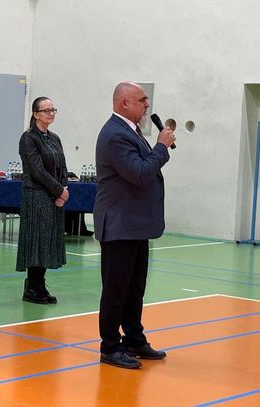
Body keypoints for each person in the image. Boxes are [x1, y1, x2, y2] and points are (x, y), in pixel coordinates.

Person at [94, 81, 176, 369]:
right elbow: (140, 173)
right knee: (116, 289)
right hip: (120, 224)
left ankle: (133, 339)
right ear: (124, 103)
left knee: (134, 288)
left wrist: (158, 148)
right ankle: (109, 346)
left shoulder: (131, 131)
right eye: (142, 100)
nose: (147, 105)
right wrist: (161, 147)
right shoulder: (115, 134)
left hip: (135, 223)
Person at [16, 97, 69, 304]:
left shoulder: (54, 138)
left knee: (47, 241)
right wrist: (58, 191)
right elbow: (37, 170)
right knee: (36, 240)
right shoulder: (28, 138)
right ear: (36, 114)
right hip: (36, 194)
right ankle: (32, 287)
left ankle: (40, 285)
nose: (51, 113)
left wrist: (63, 189)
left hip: (53, 196)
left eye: (53, 110)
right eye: (46, 110)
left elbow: (62, 166)